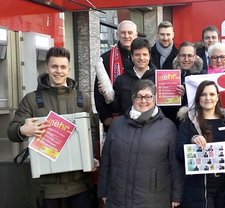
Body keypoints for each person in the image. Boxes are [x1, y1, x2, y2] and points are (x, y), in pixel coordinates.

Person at [8, 47, 97, 208]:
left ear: (69, 69)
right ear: (46, 68)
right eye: (54, 66)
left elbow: (92, 134)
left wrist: (93, 157)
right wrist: (22, 130)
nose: (59, 71)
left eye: (63, 67)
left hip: (79, 185)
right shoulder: (32, 100)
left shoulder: (82, 99)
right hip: (46, 188)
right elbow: (12, 132)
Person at [98, 80, 183, 208]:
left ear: (155, 98)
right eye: (139, 96)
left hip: (154, 198)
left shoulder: (168, 127)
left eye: (148, 96)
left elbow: (175, 165)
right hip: (118, 197)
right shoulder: (117, 124)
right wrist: (103, 190)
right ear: (133, 98)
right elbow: (106, 160)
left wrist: (176, 195)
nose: (143, 101)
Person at [176, 80, 225, 208]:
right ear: (198, 97)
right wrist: (192, 141)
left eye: (211, 94)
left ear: (217, 97)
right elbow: (179, 153)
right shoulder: (189, 120)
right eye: (203, 94)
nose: (208, 98)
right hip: (200, 189)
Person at [94, 20, 138, 132]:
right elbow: (97, 92)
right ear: (117, 35)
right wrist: (105, 117)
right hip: (115, 120)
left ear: (136, 35)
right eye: (123, 33)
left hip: (139, 119)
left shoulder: (142, 58)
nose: (126, 36)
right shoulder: (106, 58)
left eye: (130, 32)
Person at [112, 38, 156, 116]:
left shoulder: (158, 78)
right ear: (132, 57)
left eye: (144, 54)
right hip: (128, 124)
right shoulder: (121, 80)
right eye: (137, 55)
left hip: (154, 124)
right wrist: (107, 96)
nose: (141, 58)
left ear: (149, 56)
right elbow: (115, 108)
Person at [166, 41, 203, 127]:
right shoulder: (169, 76)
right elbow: (166, 107)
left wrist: (185, 94)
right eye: (183, 55)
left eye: (190, 56)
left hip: (196, 123)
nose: (186, 59)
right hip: (174, 122)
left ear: (195, 57)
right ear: (178, 57)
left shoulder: (202, 76)